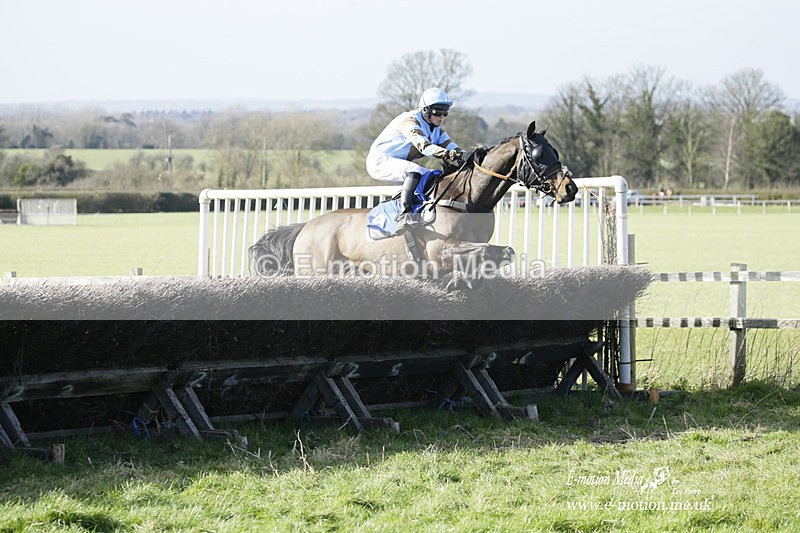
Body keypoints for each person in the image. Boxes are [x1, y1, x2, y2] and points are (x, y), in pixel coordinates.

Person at [366, 87, 467, 227]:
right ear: (425, 110)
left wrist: (463, 154)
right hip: (379, 161)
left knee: (432, 176)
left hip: (397, 161)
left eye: (445, 112)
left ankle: (422, 210)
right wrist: (448, 154)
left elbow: (449, 144)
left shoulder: (434, 127)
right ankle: (405, 215)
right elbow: (424, 147)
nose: (442, 116)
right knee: (415, 171)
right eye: (438, 111)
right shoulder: (409, 121)